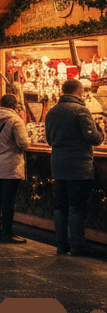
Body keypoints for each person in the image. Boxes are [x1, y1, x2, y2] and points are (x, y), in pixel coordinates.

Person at [45, 78, 105, 258]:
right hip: (78, 165)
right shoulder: (81, 111)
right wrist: (99, 130)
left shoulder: (52, 112)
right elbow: (93, 138)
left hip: (58, 163)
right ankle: (78, 246)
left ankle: (62, 244)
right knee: (77, 206)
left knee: (60, 205)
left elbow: (49, 140)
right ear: (79, 92)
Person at [0, 93, 30, 243]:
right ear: (14, 106)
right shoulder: (15, 121)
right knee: (8, 200)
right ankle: (8, 232)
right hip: (11, 164)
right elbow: (23, 143)